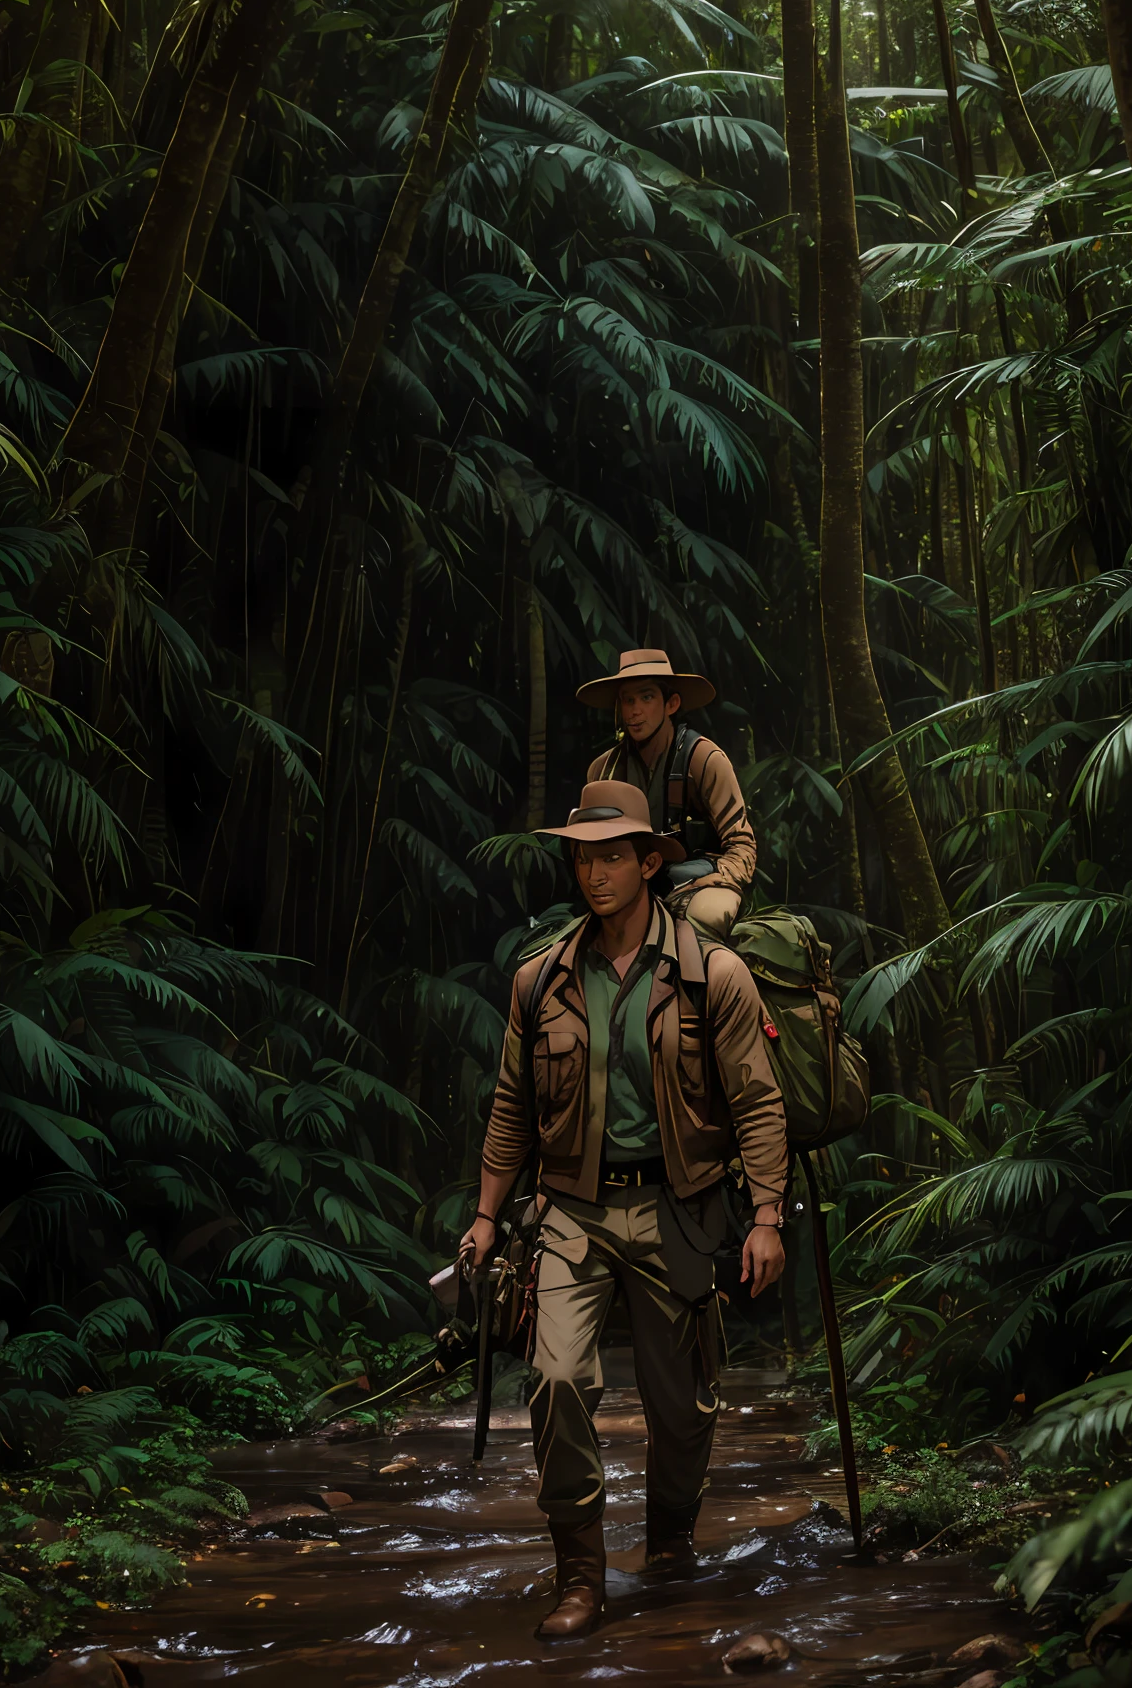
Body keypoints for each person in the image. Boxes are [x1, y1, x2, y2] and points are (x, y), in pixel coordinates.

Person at [461, 779, 788, 1641]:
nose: (594, 872)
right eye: (582, 855)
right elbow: (510, 1107)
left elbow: (757, 1102)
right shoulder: (542, 981)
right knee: (557, 1377)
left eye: (612, 855)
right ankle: (579, 1574)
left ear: (650, 863)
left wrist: (765, 1217)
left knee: (680, 1402)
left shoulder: (712, 973)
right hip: (571, 1209)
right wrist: (488, 1217)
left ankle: (672, 1541)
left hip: (678, 1207)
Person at [578, 646, 756, 937]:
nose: (635, 711)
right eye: (628, 700)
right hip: (630, 885)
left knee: (703, 920)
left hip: (697, 883)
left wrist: (715, 878)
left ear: (671, 704)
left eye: (646, 698)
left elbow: (742, 847)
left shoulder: (703, 760)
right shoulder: (603, 771)